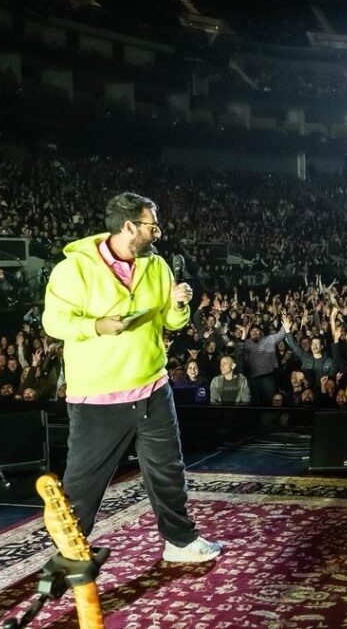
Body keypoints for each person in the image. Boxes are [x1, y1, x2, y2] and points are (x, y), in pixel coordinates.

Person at [42, 192, 221, 563]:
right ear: (129, 226)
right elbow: (53, 321)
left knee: (167, 471)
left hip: (153, 388)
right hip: (99, 397)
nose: (158, 233)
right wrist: (96, 326)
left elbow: (170, 323)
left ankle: (180, 542)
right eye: (151, 226)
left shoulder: (156, 266)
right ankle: (68, 556)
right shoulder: (73, 269)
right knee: (83, 484)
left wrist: (177, 305)